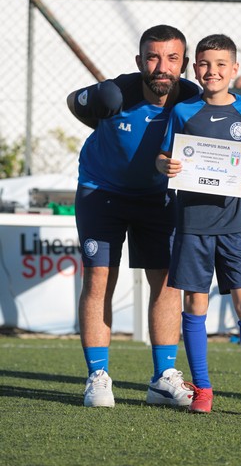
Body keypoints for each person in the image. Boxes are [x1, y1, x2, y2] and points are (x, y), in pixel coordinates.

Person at [156, 34, 241, 418]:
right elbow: (164, 156)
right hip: (192, 223)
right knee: (196, 303)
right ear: (194, 68)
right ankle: (202, 389)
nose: (212, 71)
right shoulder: (183, 111)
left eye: (220, 64)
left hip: (234, 223)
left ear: (234, 69)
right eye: (204, 63)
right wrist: (164, 165)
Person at [67, 25, 200, 408]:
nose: (162, 66)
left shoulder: (192, 99)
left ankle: (162, 379)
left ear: (184, 64)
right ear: (140, 61)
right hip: (101, 191)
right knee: (98, 278)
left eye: (172, 58)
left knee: (167, 282)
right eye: (153, 57)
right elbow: (74, 102)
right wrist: (100, 120)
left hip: (156, 198)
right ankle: (98, 376)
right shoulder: (114, 92)